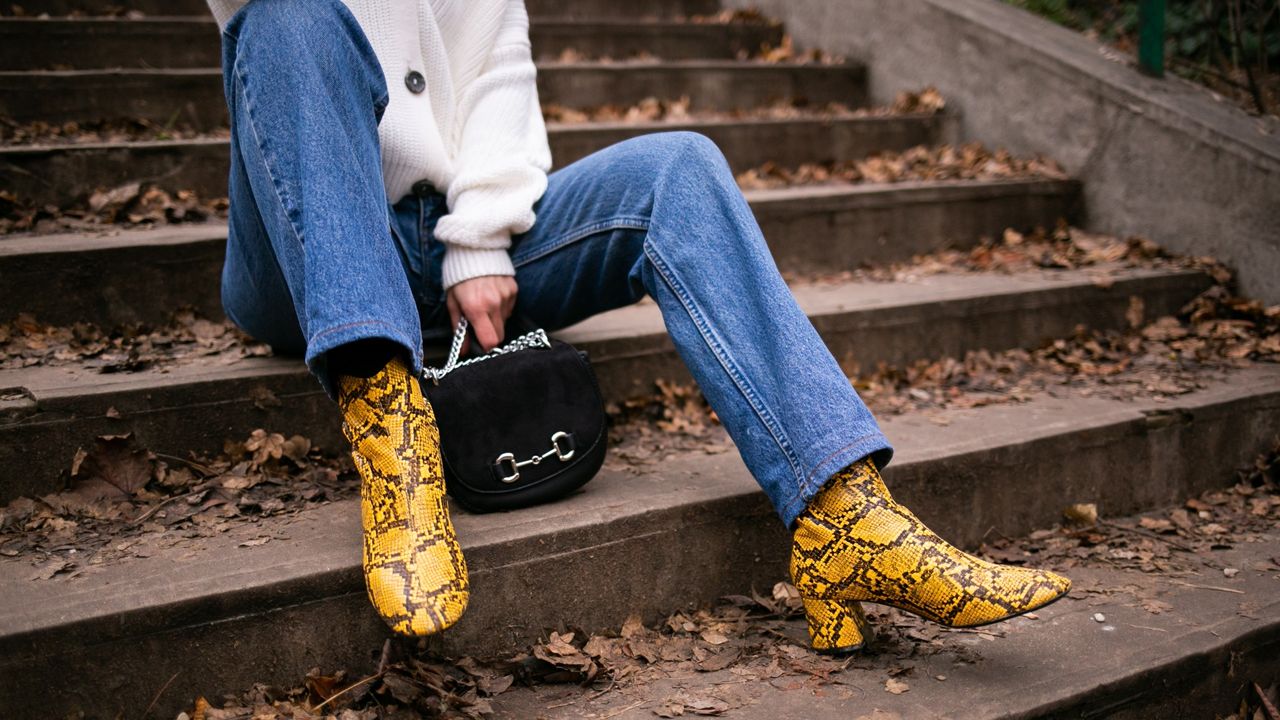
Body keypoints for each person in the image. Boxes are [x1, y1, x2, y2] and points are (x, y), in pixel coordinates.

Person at [206, 0, 1069, 653]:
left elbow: (498, 73)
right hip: (302, 240)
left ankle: (847, 522)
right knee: (289, 14)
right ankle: (394, 443)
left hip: (456, 229)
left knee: (678, 169)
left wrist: (478, 237)